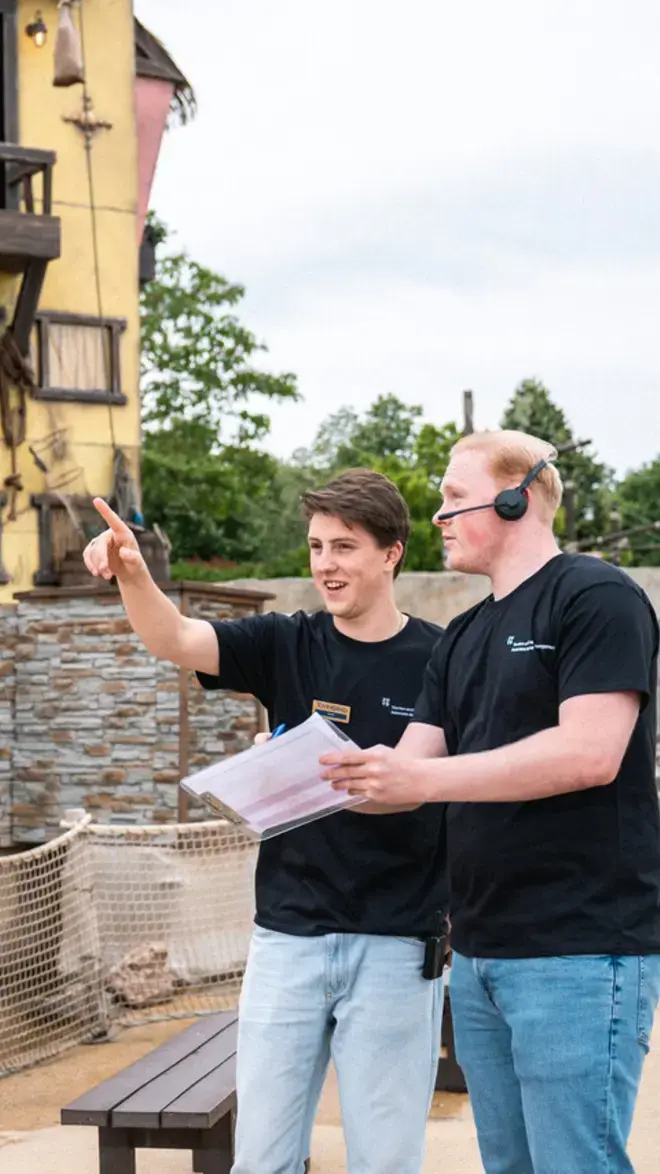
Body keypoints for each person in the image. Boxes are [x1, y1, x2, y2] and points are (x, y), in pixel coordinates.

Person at [82, 468, 448, 1174]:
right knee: (263, 1161)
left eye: (344, 547)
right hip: (287, 938)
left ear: (392, 552)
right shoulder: (287, 639)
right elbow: (177, 638)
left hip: (398, 945)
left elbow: (442, 782)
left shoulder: (442, 656)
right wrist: (131, 572)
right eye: (315, 547)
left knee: (386, 1160)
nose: (325, 565)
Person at [322, 430, 660, 1174]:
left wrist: (423, 783)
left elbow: (589, 754)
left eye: (452, 497)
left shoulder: (596, 596)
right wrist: (306, 782)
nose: (436, 516)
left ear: (518, 497)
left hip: (579, 948)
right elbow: (408, 772)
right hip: (478, 955)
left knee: (577, 1163)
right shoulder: (464, 635)